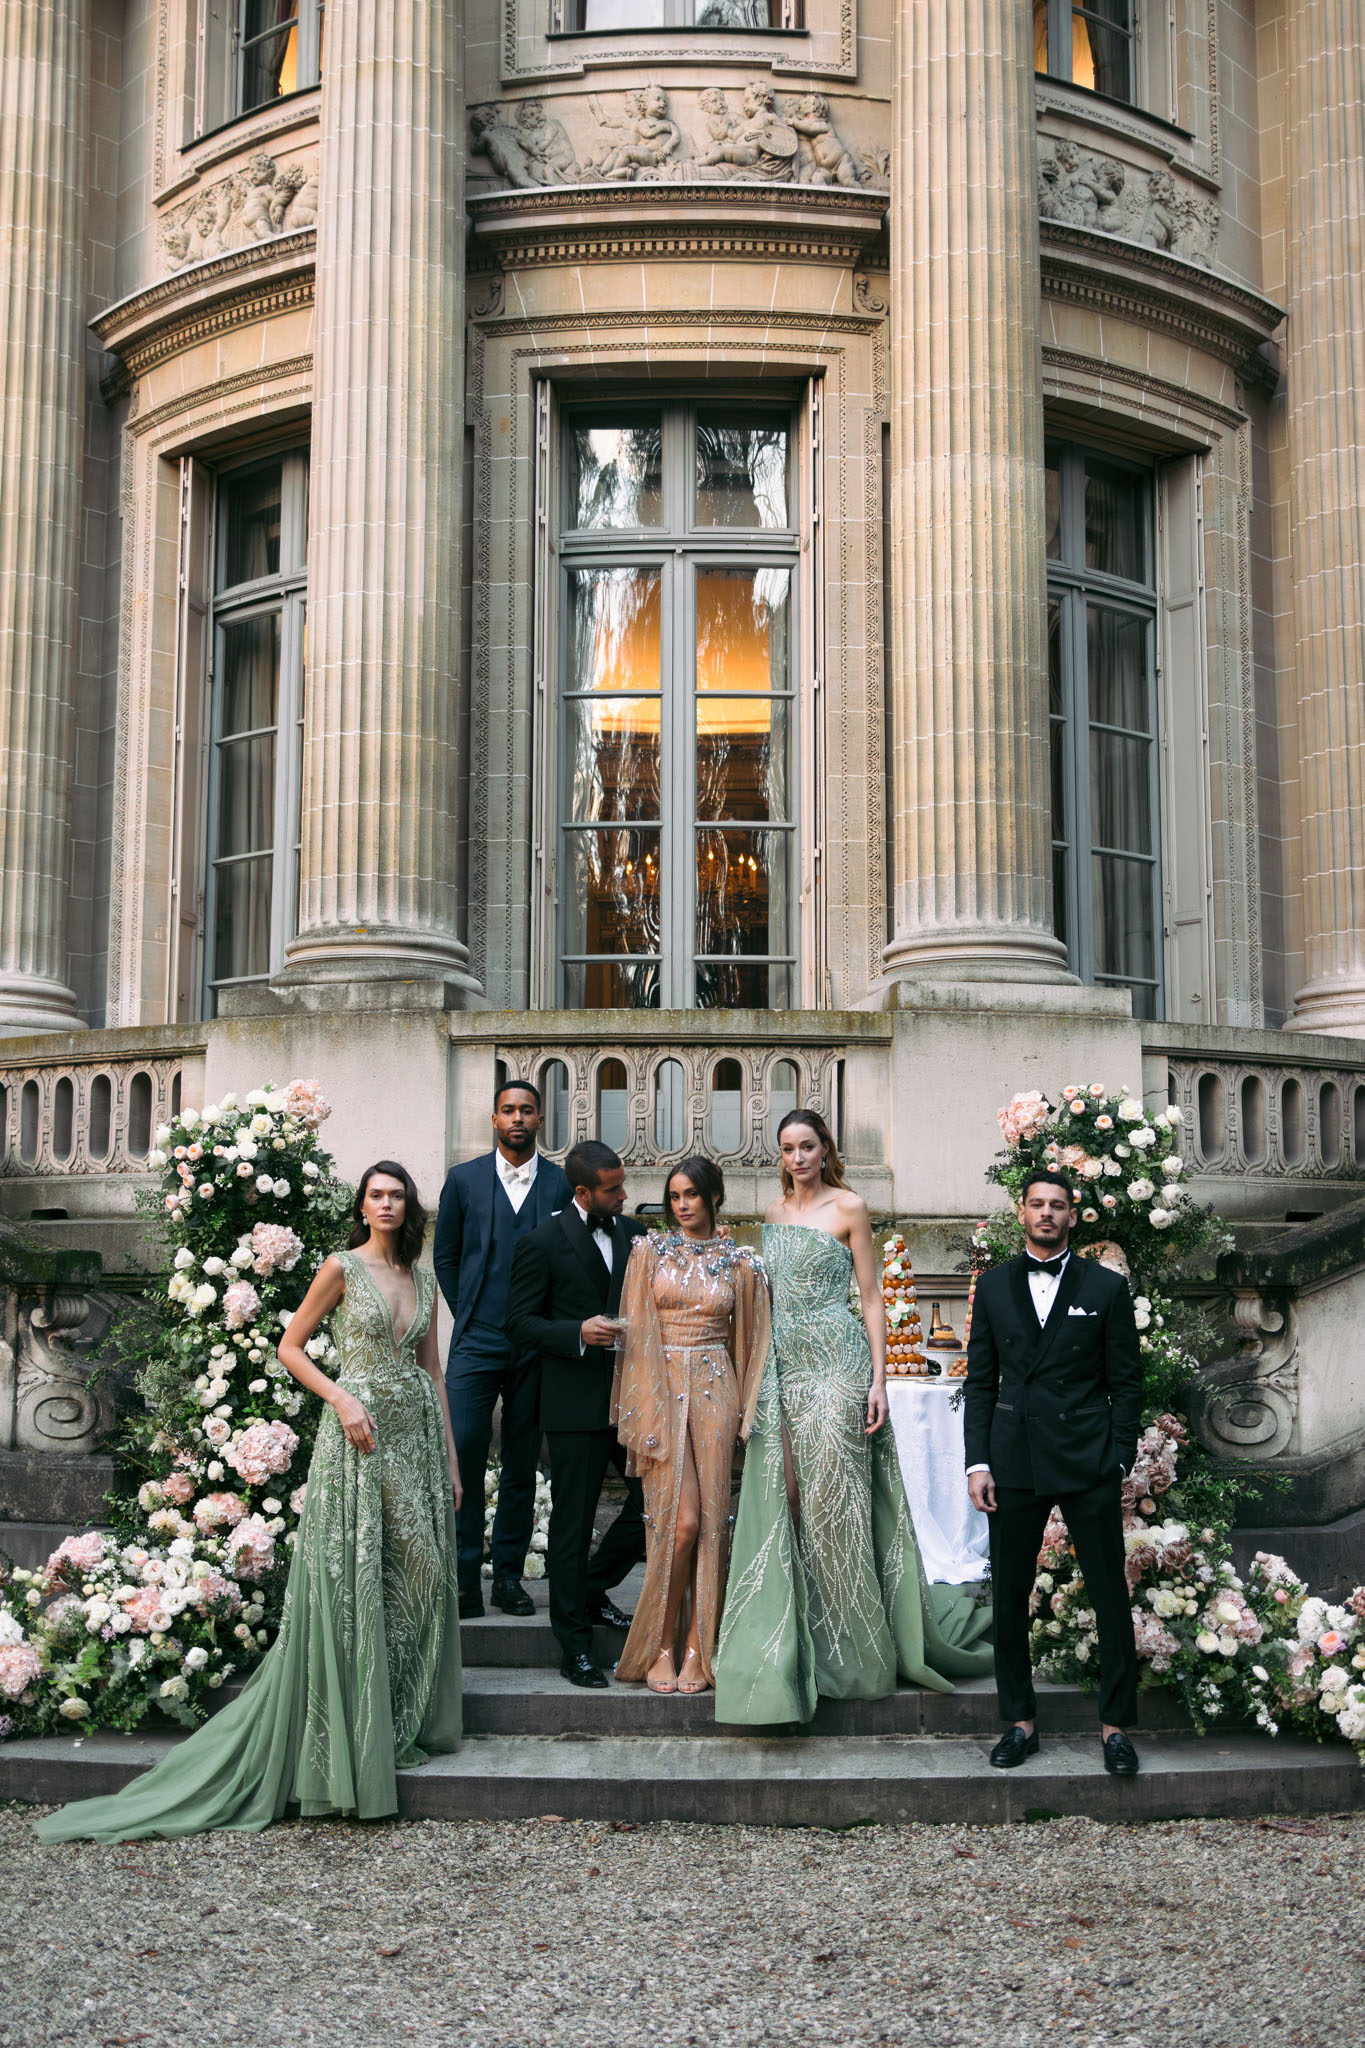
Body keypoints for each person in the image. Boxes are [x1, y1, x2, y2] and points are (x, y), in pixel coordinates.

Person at [34, 1163, 462, 1842]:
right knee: (356, 1588)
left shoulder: (426, 1277)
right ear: (363, 1205)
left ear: (410, 1207)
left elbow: (433, 1371)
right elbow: (291, 1346)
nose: (386, 1203)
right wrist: (342, 1397)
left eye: (397, 1195)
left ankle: (393, 1721)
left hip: (415, 1444)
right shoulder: (340, 1268)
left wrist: (453, 1460)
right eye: (376, 1194)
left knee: (421, 1577)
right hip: (357, 1441)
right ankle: (351, 1743)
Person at [713, 1112, 992, 1724]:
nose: (797, 1157)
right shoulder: (772, 1215)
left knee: (833, 1501)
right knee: (783, 1496)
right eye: (787, 1148)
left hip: (838, 1365)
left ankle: (852, 1648)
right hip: (783, 1365)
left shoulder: (850, 1208)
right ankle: (790, 1636)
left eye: (807, 1146)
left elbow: (871, 1299)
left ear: (825, 1149)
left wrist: (879, 1381)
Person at [963, 1169, 1143, 1777]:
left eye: (1057, 1205)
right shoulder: (991, 1287)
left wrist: (1118, 1457)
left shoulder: (1105, 1287)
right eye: (1037, 1204)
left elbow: (1127, 1382)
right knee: (1010, 1595)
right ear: (1022, 1213)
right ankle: (1019, 1722)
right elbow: (980, 1383)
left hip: (1086, 1457)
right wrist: (979, 1462)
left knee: (1110, 1595)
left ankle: (1116, 1728)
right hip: (1013, 1459)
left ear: (1073, 1215)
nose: (1046, 1213)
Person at [611, 1159, 770, 1695]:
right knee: (677, 1525)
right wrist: (643, 1405)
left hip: (717, 1388)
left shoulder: (742, 1262)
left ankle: (701, 1647)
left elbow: (752, 1343)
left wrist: (749, 1411)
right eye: (675, 1195)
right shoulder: (647, 1252)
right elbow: (634, 1334)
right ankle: (660, 1644)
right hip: (662, 1386)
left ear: (714, 1197)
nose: (682, 1205)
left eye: (692, 1195)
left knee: (713, 1522)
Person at [505, 1140, 649, 1688]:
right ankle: (575, 1645)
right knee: (571, 1525)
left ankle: (589, 1589)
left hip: (633, 1399)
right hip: (573, 1405)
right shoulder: (540, 1241)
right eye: (614, 1189)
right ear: (584, 1192)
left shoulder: (637, 1236)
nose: (624, 1194)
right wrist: (575, 1333)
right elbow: (517, 1323)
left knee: (652, 1507)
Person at [433, 1081, 571, 1620]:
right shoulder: (463, 1180)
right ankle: (465, 1580)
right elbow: (445, 1256)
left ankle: (508, 1578)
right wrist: (466, 1309)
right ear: (494, 1119)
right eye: (508, 1110)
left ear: (540, 1120)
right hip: (477, 1338)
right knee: (463, 1450)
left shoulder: (561, 1186)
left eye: (527, 1111)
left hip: (535, 1344)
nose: (517, 1118)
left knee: (522, 1459)